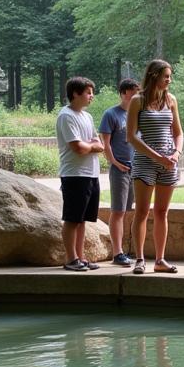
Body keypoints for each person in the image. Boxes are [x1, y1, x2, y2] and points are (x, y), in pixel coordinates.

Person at [127, 59, 183, 275]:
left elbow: (178, 132)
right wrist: (156, 156)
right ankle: (139, 259)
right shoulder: (137, 101)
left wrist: (176, 153)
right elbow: (131, 136)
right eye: (165, 76)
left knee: (161, 212)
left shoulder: (171, 100)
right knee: (141, 211)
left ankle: (160, 259)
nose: (169, 80)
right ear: (153, 76)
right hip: (145, 162)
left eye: (170, 76)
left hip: (169, 163)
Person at [55, 76, 104, 272]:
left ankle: (81, 257)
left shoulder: (87, 117)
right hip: (74, 174)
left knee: (83, 219)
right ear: (75, 94)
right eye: (88, 92)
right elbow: (78, 148)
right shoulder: (66, 116)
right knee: (72, 218)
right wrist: (92, 146)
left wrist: (91, 145)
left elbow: (98, 144)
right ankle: (70, 258)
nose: (92, 96)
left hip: (91, 174)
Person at [99, 77, 141, 267]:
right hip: (120, 169)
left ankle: (126, 250)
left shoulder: (138, 114)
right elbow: (105, 144)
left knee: (129, 211)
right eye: (133, 92)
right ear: (123, 93)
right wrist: (115, 163)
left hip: (136, 168)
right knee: (118, 211)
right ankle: (118, 253)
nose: (136, 96)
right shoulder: (111, 114)